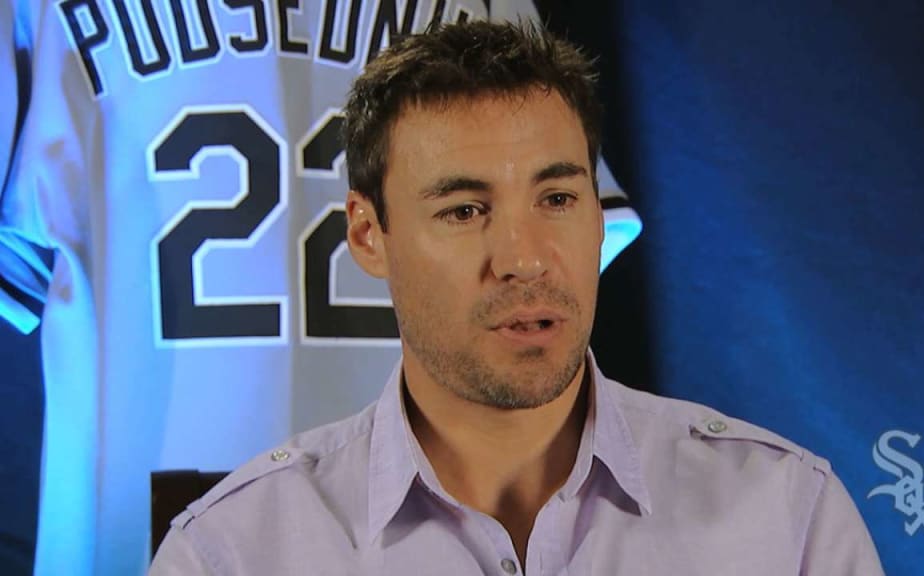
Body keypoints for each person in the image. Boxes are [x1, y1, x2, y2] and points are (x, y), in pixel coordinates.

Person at [150, 20, 884, 575]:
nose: (526, 259)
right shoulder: (231, 554)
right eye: (465, 211)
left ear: (601, 215)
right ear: (369, 236)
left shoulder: (788, 519)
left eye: (558, 197)